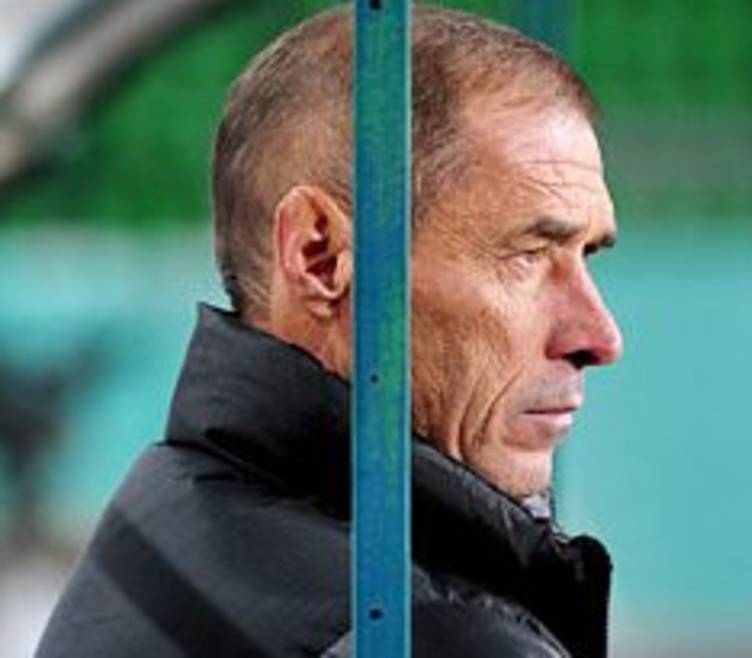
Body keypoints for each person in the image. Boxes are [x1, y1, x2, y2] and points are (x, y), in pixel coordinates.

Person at [37, 5, 622, 657]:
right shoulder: (428, 634)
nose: (599, 337)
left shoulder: (163, 513)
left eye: (587, 255)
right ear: (320, 257)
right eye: (528, 255)